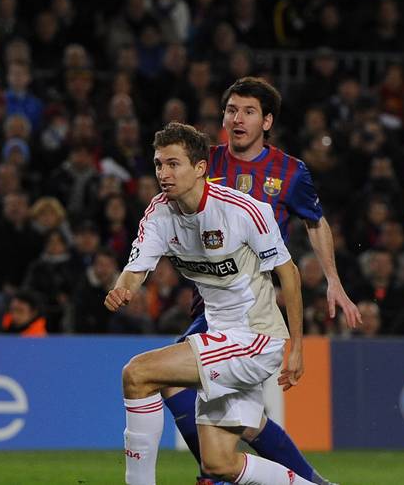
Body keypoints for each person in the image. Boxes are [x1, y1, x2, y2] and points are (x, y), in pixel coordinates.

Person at [164, 77, 352, 485]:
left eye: (248, 111)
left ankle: (212, 476)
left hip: (252, 303)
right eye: (232, 110)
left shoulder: (289, 171)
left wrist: (333, 280)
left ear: (266, 121)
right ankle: (310, 483)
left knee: (169, 380)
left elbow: (315, 224)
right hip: (209, 296)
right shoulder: (205, 162)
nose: (238, 119)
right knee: (244, 420)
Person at [107, 122, 311, 485]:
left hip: (255, 338)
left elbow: (289, 273)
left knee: (137, 374)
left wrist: (297, 346)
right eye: (158, 165)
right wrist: (123, 287)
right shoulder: (159, 213)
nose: (163, 174)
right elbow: (136, 268)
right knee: (220, 464)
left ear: (200, 167)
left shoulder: (242, 210)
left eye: (173, 164)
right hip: (222, 338)